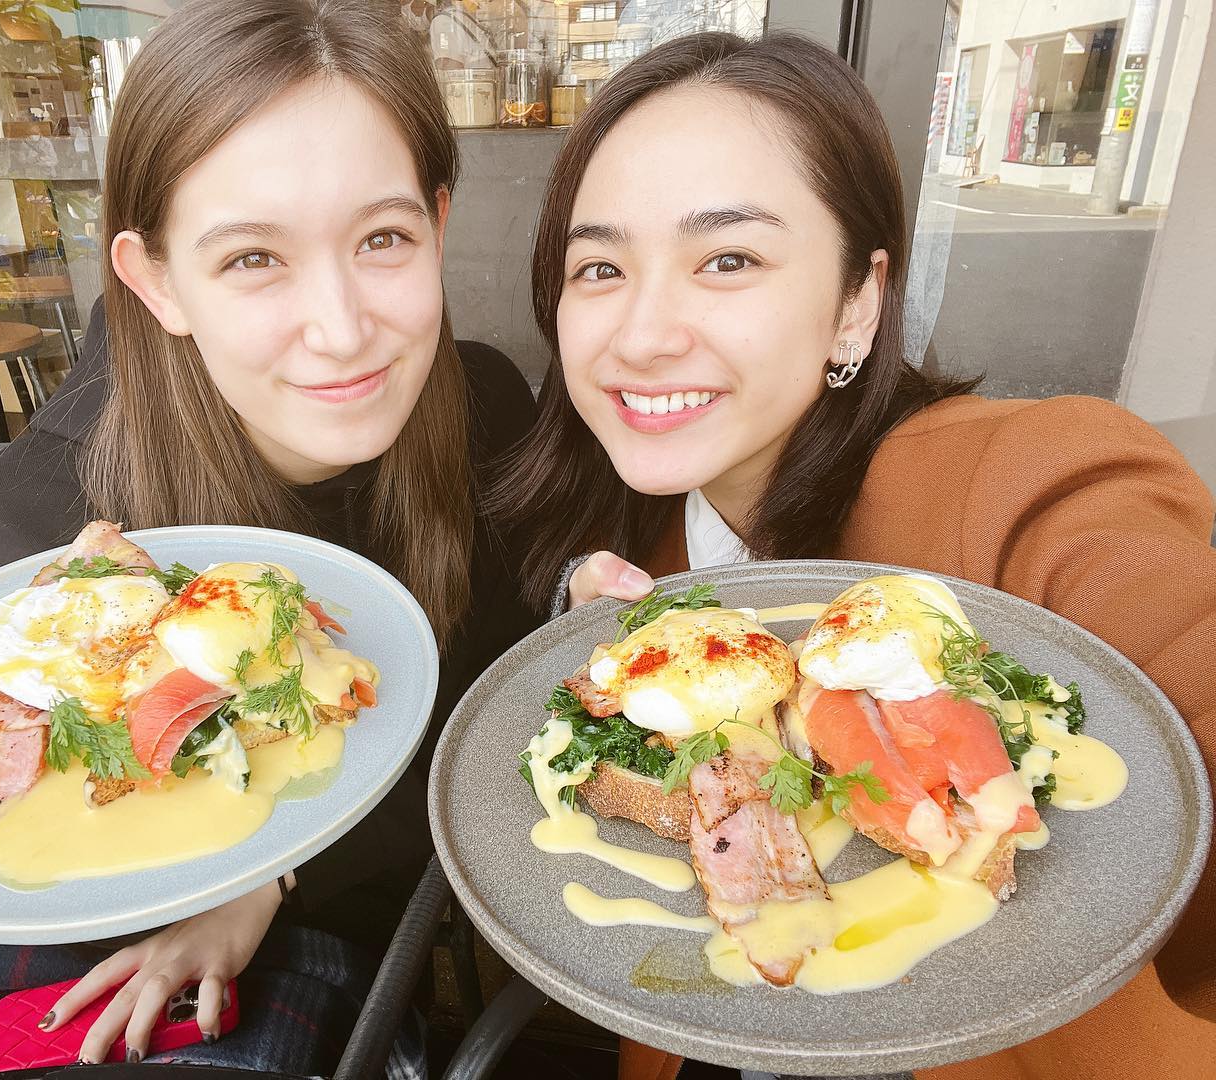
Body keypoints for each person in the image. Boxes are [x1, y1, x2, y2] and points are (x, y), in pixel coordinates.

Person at [0, 1, 536, 1074]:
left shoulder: (487, 412)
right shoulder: (40, 523)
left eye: (383, 239)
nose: (342, 328)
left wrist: (267, 884)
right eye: (253, 258)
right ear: (157, 281)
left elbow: (483, 729)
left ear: (439, 228)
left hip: (334, 967)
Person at [492, 30, 1216, 1080]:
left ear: (857, 302)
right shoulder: (645, 554)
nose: (640, 335)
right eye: (600, 266)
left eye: (728, 259)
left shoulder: (1027, 482)